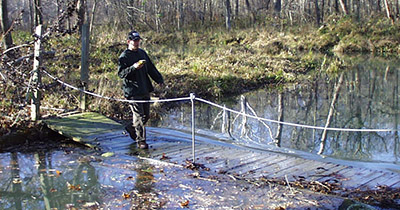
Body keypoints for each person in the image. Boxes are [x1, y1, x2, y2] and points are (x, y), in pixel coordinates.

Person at [118, 30, 164, 149]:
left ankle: (131, 128)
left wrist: (159, 79)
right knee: (138, 116)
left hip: (144, 89)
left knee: (146, 116)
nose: (136, 43)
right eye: (134, 41)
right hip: (132, 91)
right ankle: (141, 141)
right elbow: (121, 74)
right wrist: (133, 67)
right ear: (128, 42)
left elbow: (151, 68)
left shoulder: (142, 53)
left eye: (138, 41)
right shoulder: (124, 57)